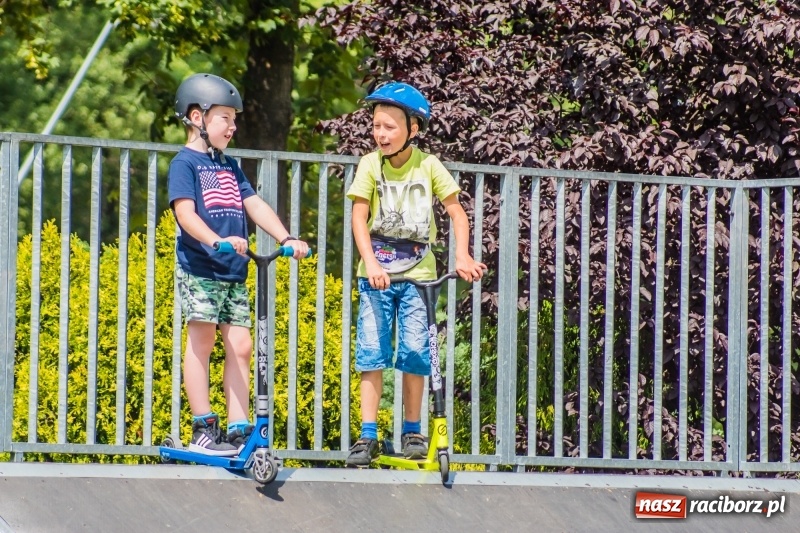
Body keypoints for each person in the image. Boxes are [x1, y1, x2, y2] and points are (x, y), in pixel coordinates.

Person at [344, 81, 486, 466]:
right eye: (376, 125)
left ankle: (411, 431)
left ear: (413, 129)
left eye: (390, 126)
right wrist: (370, 262)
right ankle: (368, 435)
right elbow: (359, 216)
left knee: (414, 354)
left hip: (419, 277)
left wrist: (462, 256)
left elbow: (456, 212)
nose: (381, 134)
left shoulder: (428, 165)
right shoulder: (370, 164)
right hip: (376, 275)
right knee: (372, 353)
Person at [168, 73, 309, 456]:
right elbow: (185, 214)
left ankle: (237, 427)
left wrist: (286, 237)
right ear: (197, 118)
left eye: (235, 119)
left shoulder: (229, 166)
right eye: (225, 118)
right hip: (202, 268)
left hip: (234, 271)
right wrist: (216, 240)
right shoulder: (185, 164)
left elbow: (254, 204)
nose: (233, 127)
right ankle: (203, 425)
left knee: (242, 345)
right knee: (202, 341)